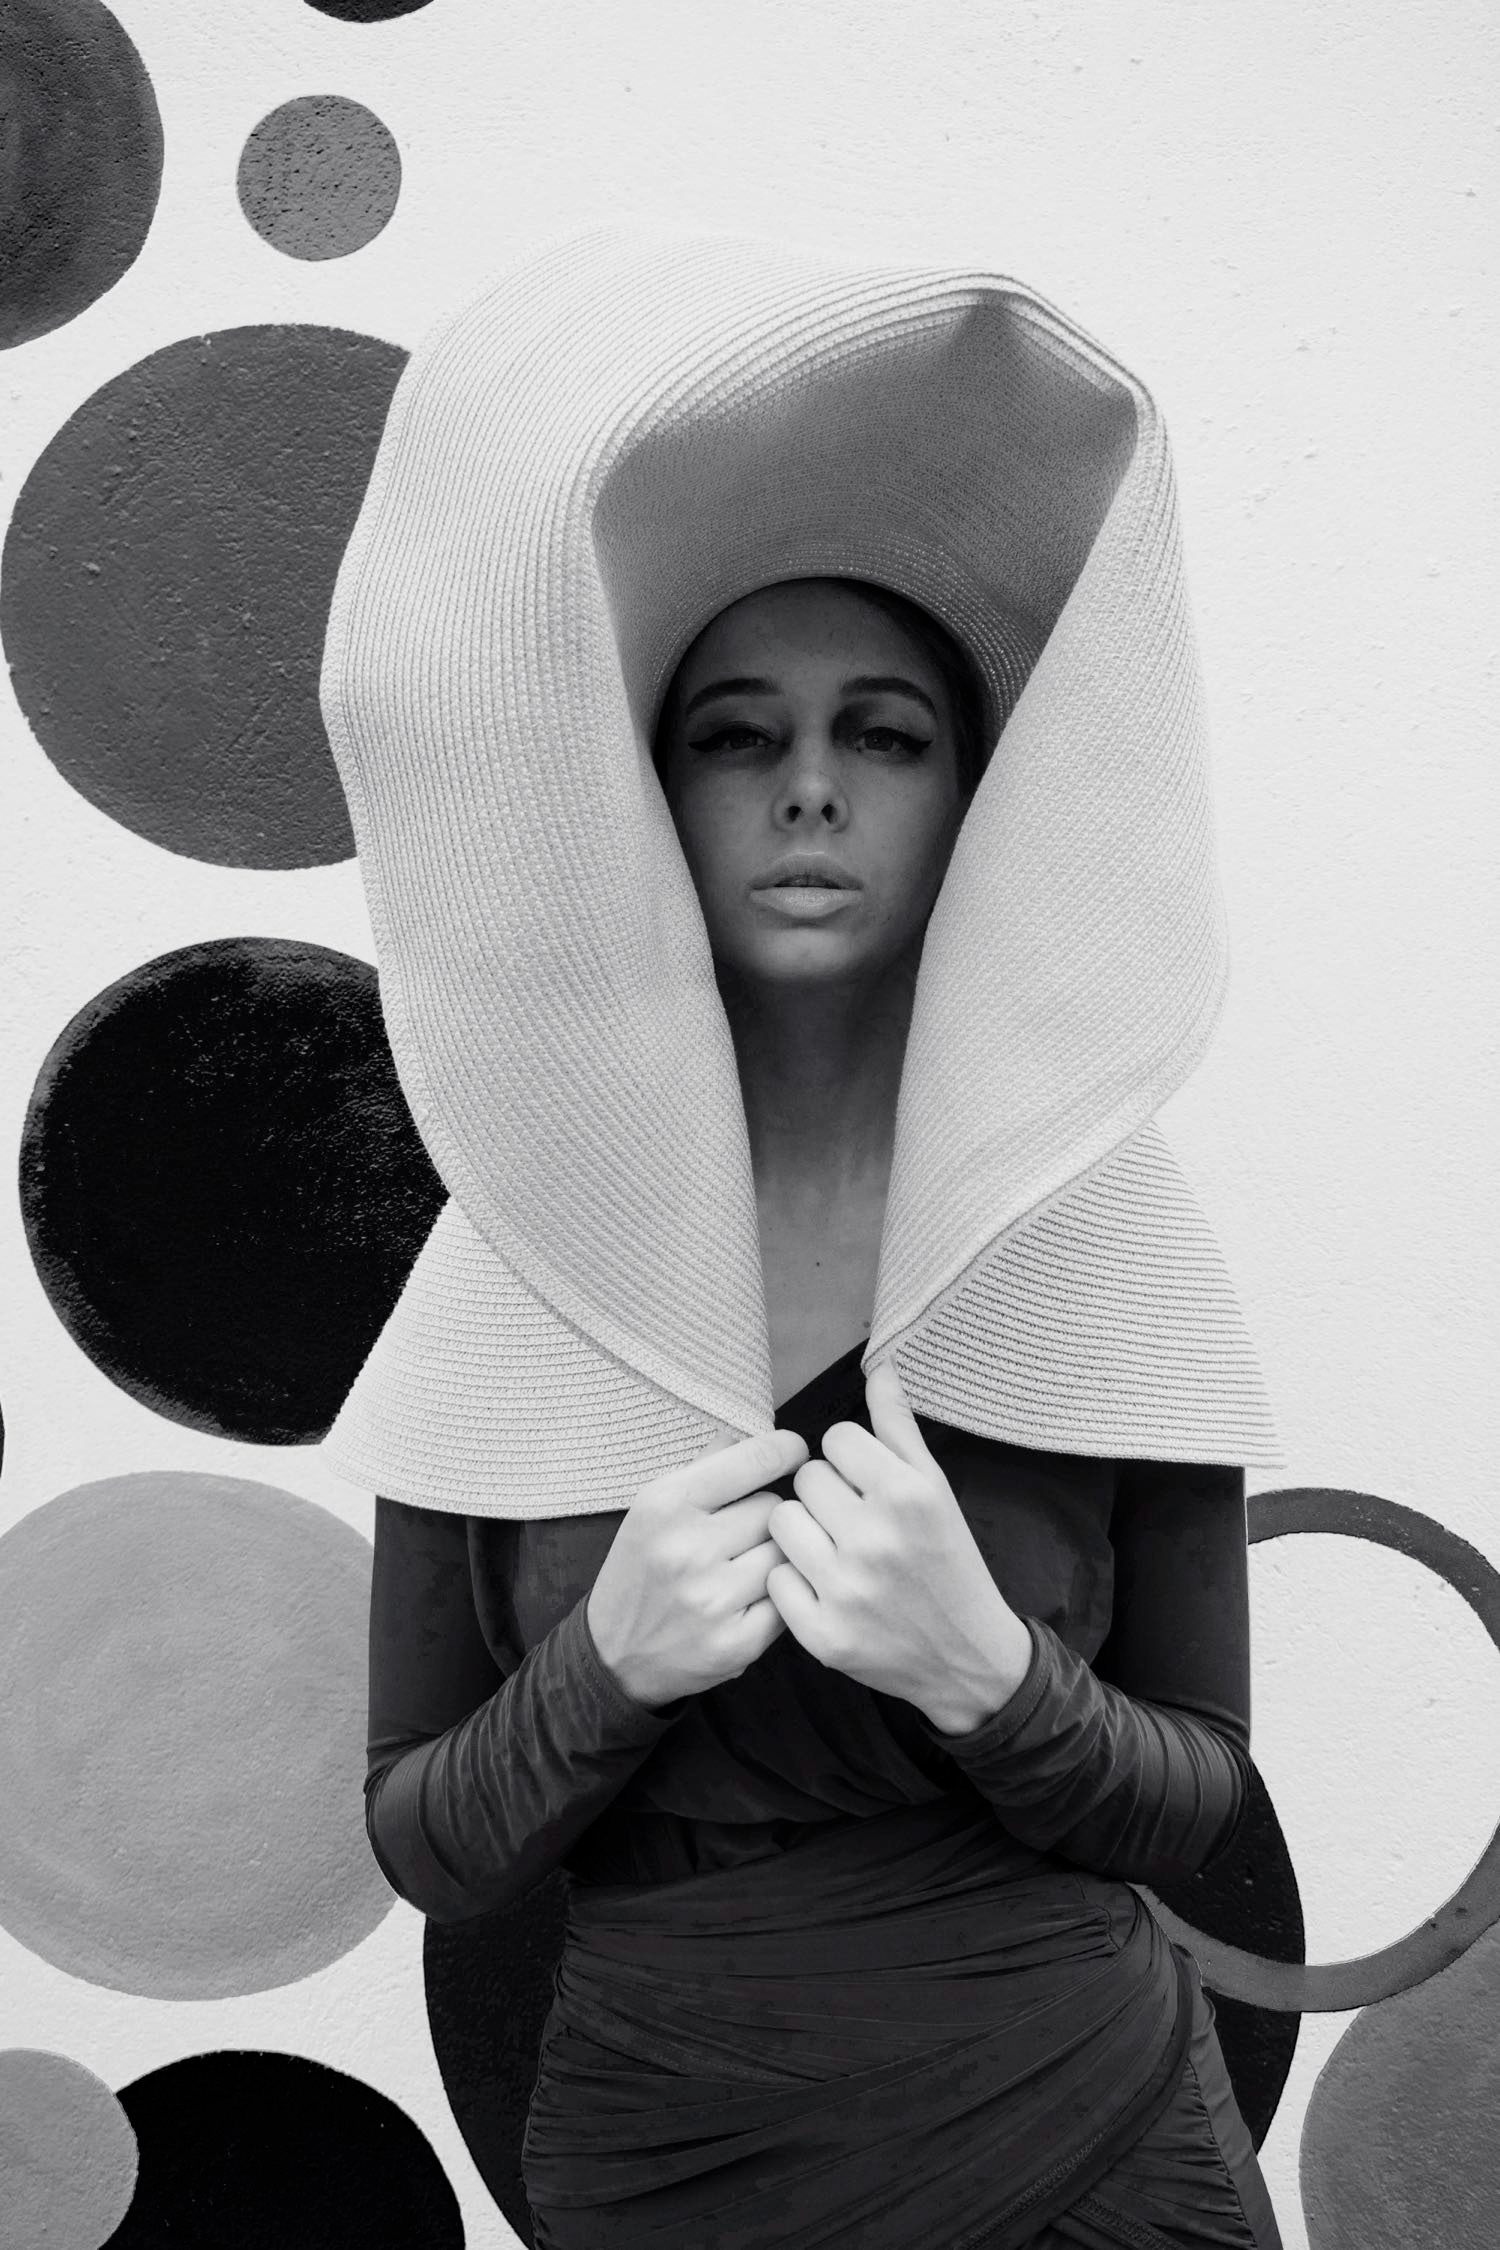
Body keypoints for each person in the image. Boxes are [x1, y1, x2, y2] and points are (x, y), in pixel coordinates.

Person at [323, 228, 1286, 2249]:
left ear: (973, 795)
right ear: (647, 788)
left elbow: (1200, 1791)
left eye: (887, 735)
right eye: (740, 735)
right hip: (667, 2163)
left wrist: (991, 1674)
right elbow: (424, 1836)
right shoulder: (518, 1241)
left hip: (1091, 2154)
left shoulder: (1095, 1213)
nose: (814, 793)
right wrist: (606, 1667)